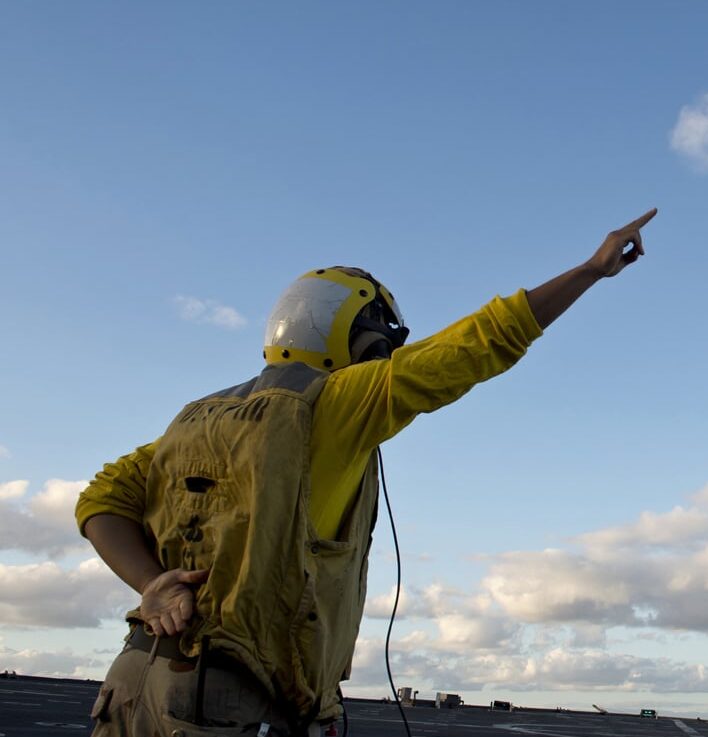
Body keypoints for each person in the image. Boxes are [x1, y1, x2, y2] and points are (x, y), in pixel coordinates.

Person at [75, 209, 657, 736]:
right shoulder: (333, 403)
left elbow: (101, 501)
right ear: (355, 337)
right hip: (231, 697)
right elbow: (476, 346)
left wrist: (151, 583)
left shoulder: (193, 420)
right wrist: (589, 271)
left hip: (134, 679)